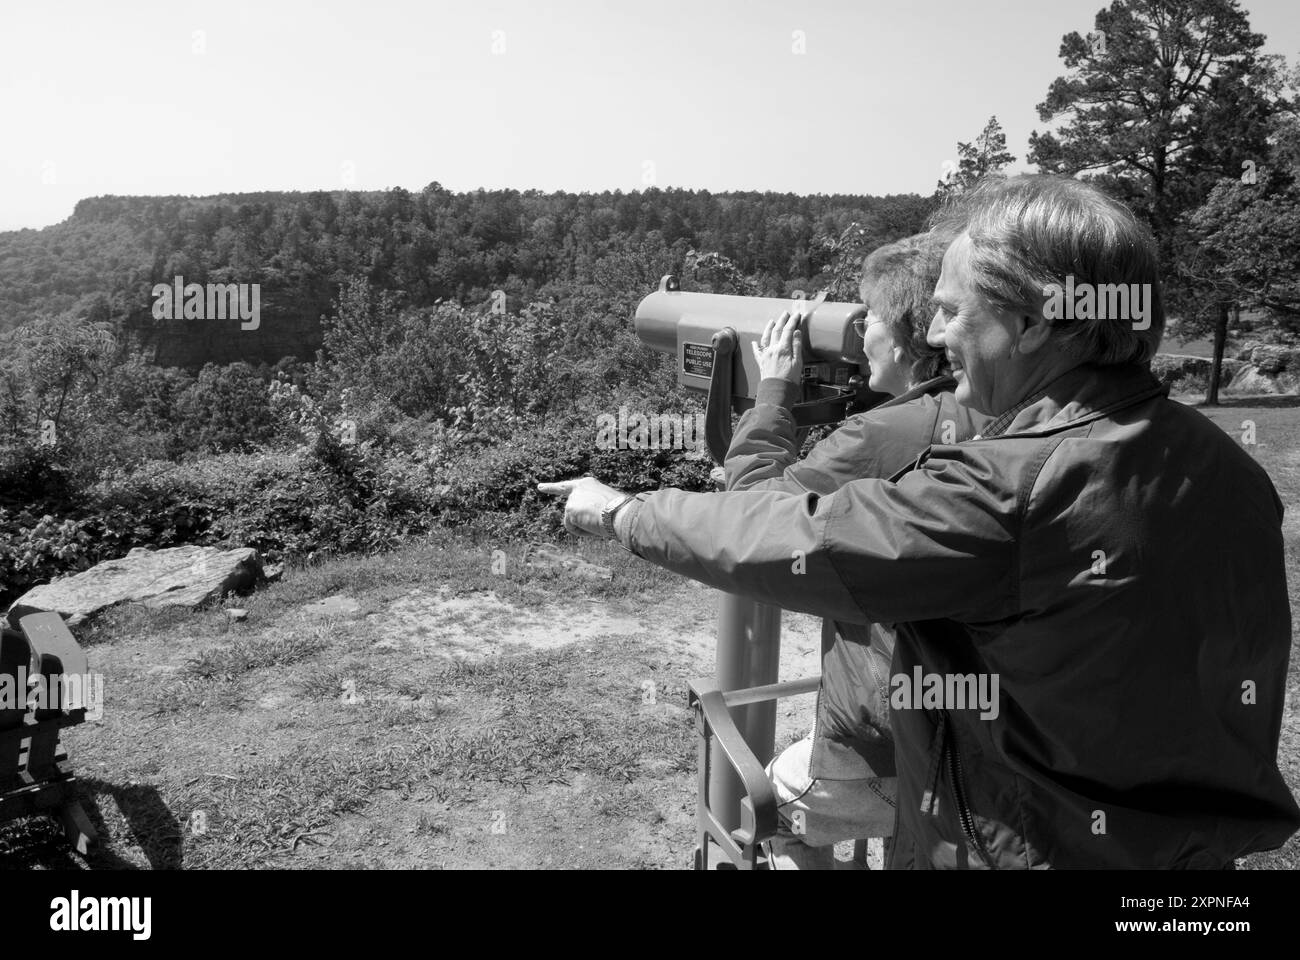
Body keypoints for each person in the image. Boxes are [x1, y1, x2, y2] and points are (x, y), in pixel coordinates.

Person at [541, 174, 1300, 868]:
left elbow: (801, 539)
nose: (934, 338)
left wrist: (624, 511)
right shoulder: (1227, 468)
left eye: (950, 311)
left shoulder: (1013, 488)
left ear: (1032, 322)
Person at [728, 233, 986, 869]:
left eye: (866, 316)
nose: (858, 329)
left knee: (756, 811)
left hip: (888, 742)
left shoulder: (886, 431)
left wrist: (771, 394)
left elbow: (756, 514)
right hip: (978, 731)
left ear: (904, 338)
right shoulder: (996, 408)